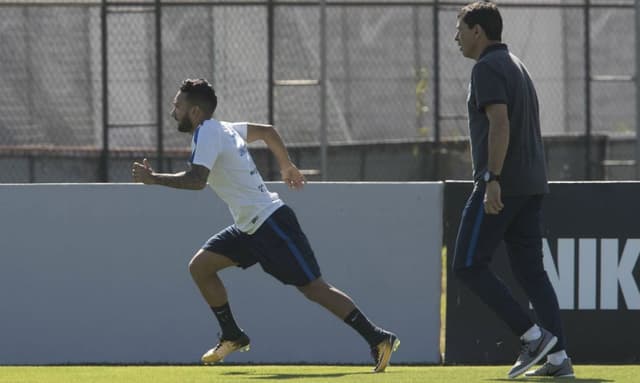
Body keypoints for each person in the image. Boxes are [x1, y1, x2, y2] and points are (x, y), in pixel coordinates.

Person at [131, 78, 399, 372]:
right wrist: (286, 165)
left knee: (314, 288)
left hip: (271, 223)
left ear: (195, 112)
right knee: (201, 266)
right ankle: (232, 335)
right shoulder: (225, 128)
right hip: (248, 228)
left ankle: (378, 338)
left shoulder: (208, 131)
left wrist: (154, 179)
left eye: (177, 106)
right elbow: (268, 132)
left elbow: (197, 181)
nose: (173, 111)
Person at [452, 2, 574, 379]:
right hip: (532, 184)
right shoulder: (516, 64)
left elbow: (500, 124)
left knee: (468, 265)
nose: (455, 36)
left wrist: (491, 179)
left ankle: (533, 337)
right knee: (532, 274)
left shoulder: (487, 67)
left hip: (504, 184)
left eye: (460, 27)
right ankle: (558, 360)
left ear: (478, 31)